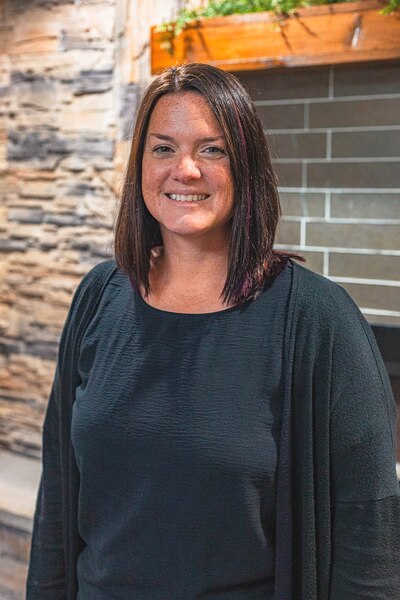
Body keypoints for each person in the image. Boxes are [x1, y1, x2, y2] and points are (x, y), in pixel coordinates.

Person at [26, 63, 399, 600]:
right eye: (162, 149)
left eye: (212, 149)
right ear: (140, 167)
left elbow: (372, 537)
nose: (185, 169)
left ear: (246, 165)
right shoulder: (98, 298)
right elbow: (59, 494)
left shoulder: (319, 319)